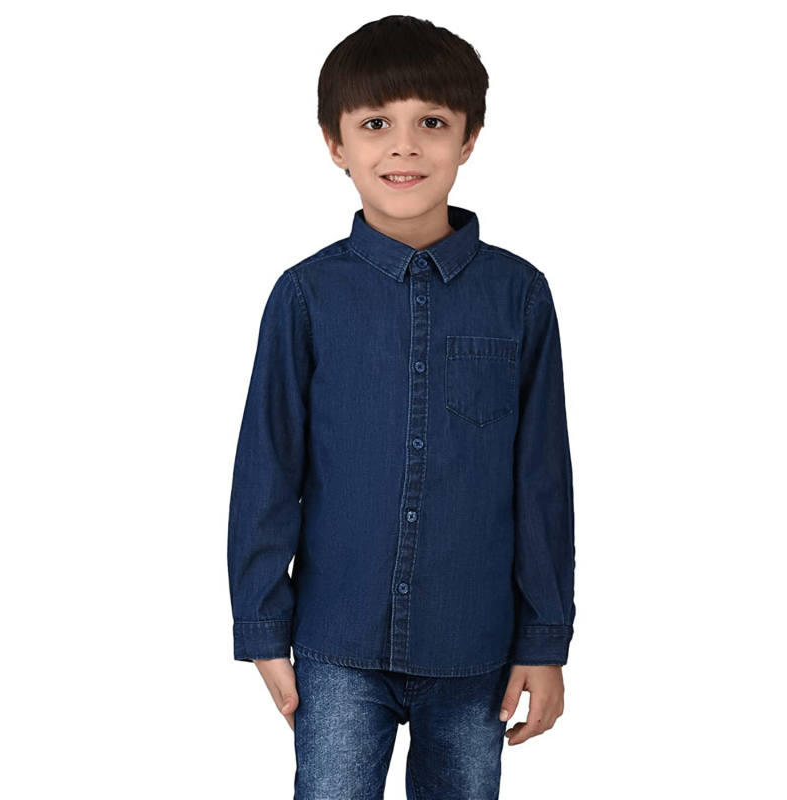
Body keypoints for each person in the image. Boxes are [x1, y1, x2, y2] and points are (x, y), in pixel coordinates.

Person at [227, 14, 576, 799]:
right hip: (336, 642)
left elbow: (542, 481)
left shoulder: (519, 295)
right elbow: (267, 469)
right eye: (376, 123)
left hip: (474, 647)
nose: (405, 147)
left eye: (433, 123)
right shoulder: (306, 296)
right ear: (335, 143)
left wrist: (545, 640)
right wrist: (262, 627)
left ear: (470, 137)